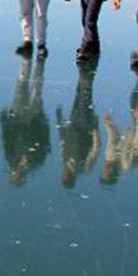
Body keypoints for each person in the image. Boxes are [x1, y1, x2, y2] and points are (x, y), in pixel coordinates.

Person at [100, 68, 138, 185]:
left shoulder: (109, 158)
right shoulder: (127, 164)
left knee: (133, 99)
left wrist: (109, 124)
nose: (104, 169)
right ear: (113, 173)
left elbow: (113, 139)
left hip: (137, 130)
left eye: (103, 172)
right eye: (107, 172)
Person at [0, 55, 51, 186]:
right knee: (36, 88)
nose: (17, 173)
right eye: (18, 175)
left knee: (21, 86)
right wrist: (44, 121)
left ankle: (26, 61)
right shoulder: (36, 161)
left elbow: (7, 139)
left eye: (15, 175)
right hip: (35, 119)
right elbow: (44, 141)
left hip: (18, 118)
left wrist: (5, 120)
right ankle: (39, 64)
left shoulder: (12, 158)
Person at [56, 58, 101, 188]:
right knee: (84, 98)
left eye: (63, 175)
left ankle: (84, 71)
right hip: (85, 127)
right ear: (71, 178)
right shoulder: (84, 167)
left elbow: (63, 141)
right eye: (66, 176)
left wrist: (60, 120)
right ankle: (87, 70)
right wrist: (96, 132)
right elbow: (95, 150)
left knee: (79, 96)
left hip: (73, 124)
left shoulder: (64, 159)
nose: (64, 173)